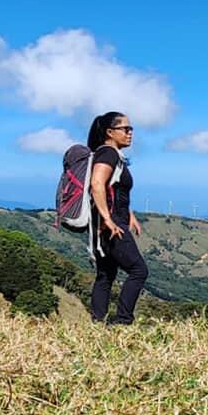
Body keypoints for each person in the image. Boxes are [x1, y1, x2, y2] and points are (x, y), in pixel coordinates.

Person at [86, 111, 148, 324]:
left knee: (106, 275)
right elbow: (97, 184)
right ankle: (122, 321)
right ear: (110, 132)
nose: (130, 133)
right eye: (125, 129)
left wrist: (130, 215)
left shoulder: (111, 156)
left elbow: (115, 189)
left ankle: (97, 322)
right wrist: (109, 219)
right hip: (111, 224)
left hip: (106, 224)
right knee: (139, 270)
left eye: (131, 129)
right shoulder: (108, 154)